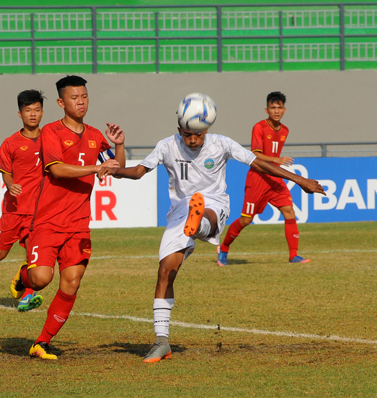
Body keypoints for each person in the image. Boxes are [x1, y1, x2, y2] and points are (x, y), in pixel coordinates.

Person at [97, 93, 325, 363]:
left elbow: (260, 163)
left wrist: (299, 179)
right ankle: (161, 342)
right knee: (165, 272)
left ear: (207, 130)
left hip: (214, 205)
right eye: (188, 134)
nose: (193, 140)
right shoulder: (166, 146)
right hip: (180, 212)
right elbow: (138, 172)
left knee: (206, 214)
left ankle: (200, 223)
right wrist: (114, 170)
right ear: (179, 128)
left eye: (199, 135)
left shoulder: (222, 144)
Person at [9, 75, 125, 360]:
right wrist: (92, 169)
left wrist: (119, 145)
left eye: (84, 96)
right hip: (47, 222)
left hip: (78, 224)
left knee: (71, 282)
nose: (81, 102)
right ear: (61, 102)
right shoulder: (50, 131)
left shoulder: (97, 135)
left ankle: (41, 342)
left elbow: (116, 168)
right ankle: (23, 278)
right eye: (74, 98)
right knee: (40, 279)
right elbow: (56, 169)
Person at [0, 89, 46, 312]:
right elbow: (5, 172)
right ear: (20, 114)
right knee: (0, 253)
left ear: (42, 112)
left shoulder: (51, 139)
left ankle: (28, 295)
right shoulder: (10, 143)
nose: (33, 114)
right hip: (14, 209)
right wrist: (9, 183)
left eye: (37, 110)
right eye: (28, 110)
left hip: (39, 211)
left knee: (36, 255)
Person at [218, 91, 309, 266]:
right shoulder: (259, 127)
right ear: (266, 110)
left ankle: (294, 255)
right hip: (258, 177)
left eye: (279, 107)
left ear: (284, 110)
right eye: (273, 107)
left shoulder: (285, 130)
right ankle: (223, 248)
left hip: (274, 177)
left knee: (289, 211)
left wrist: (276, 163)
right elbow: (255, 154)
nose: (276, 111)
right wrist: (277, 160)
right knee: (246, 220)